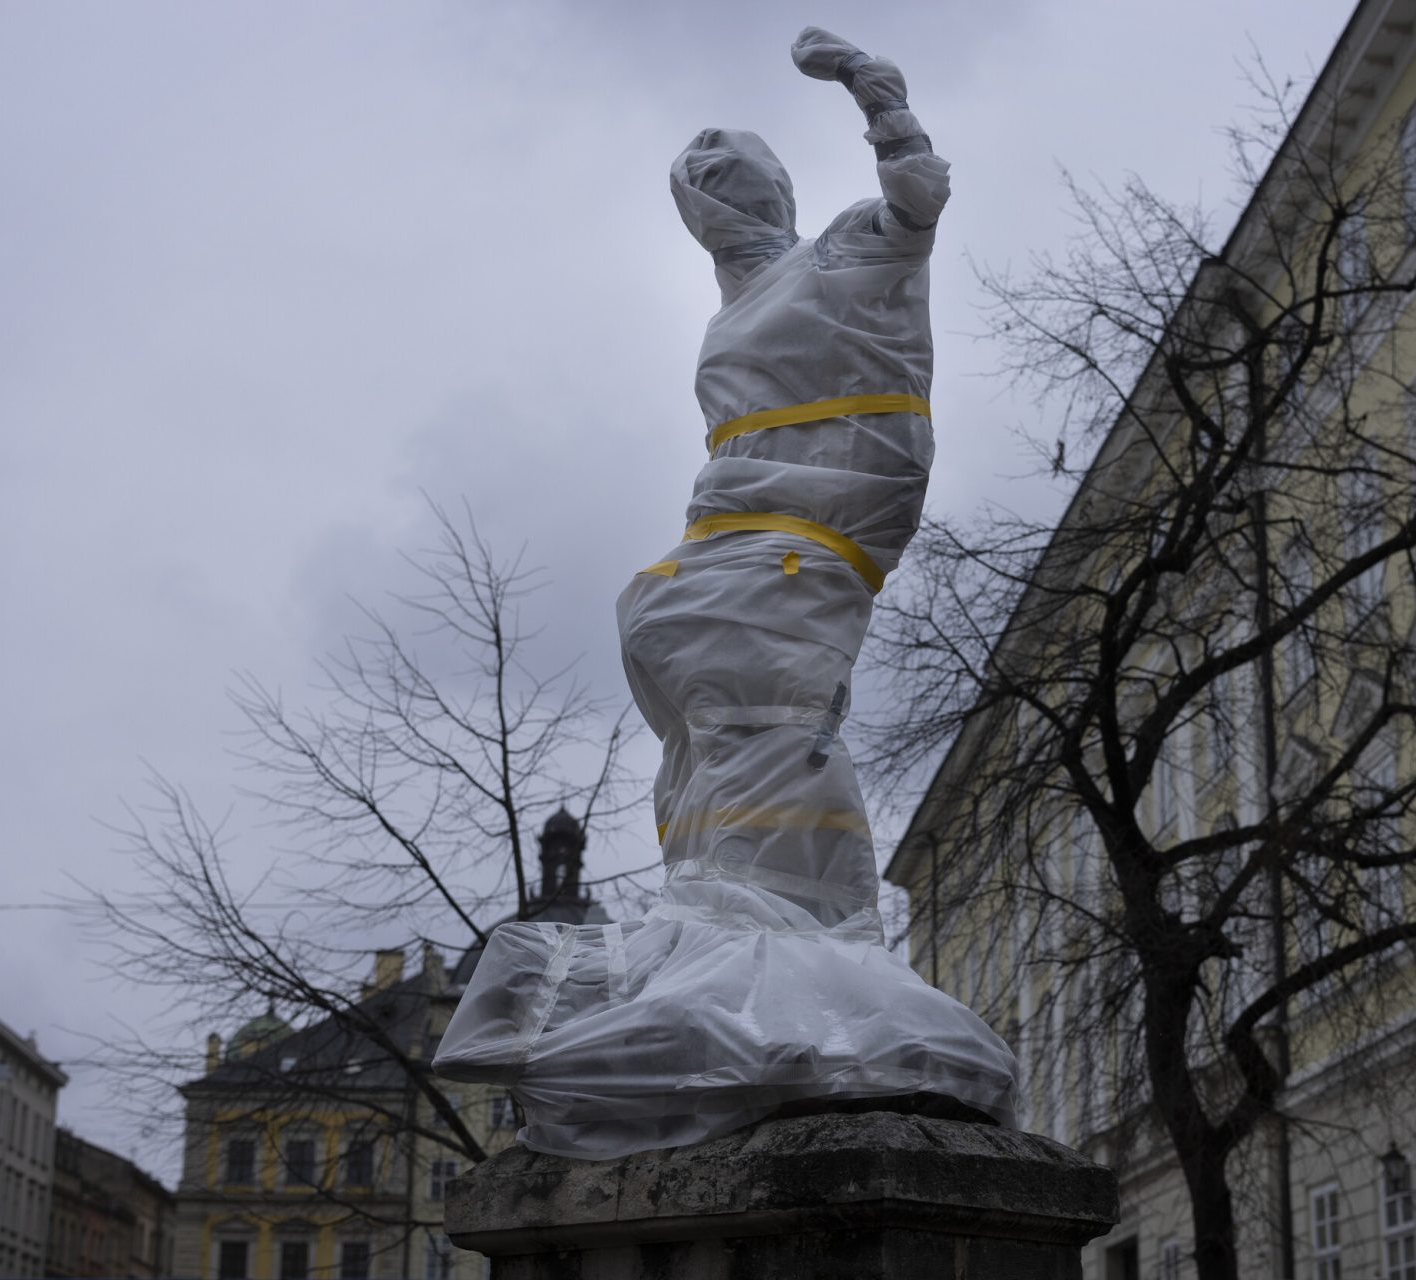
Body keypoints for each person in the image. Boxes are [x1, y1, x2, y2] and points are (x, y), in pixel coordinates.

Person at [434, 28, 1017, 1160]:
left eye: (717, 193)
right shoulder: (747, 287)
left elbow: (917, 202)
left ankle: (729, 997)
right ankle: (735, 992)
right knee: (725, 782)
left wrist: (878, 95)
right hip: (729, 563)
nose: (711, 214)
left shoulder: (841, 252)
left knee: (763, 756)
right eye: (698, 201)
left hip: (781, 559)